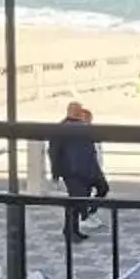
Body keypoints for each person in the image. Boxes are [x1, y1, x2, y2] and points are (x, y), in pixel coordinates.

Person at [48, 98, 109, 233]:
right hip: (73, 172)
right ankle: (71, 230)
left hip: (89, 169)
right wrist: (56, 173)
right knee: (76, 201)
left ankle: (86, 214)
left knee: (102, 189)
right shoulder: (60, 129)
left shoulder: (83, 126)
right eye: (78, 111)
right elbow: (54, 152)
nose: (80, 113)